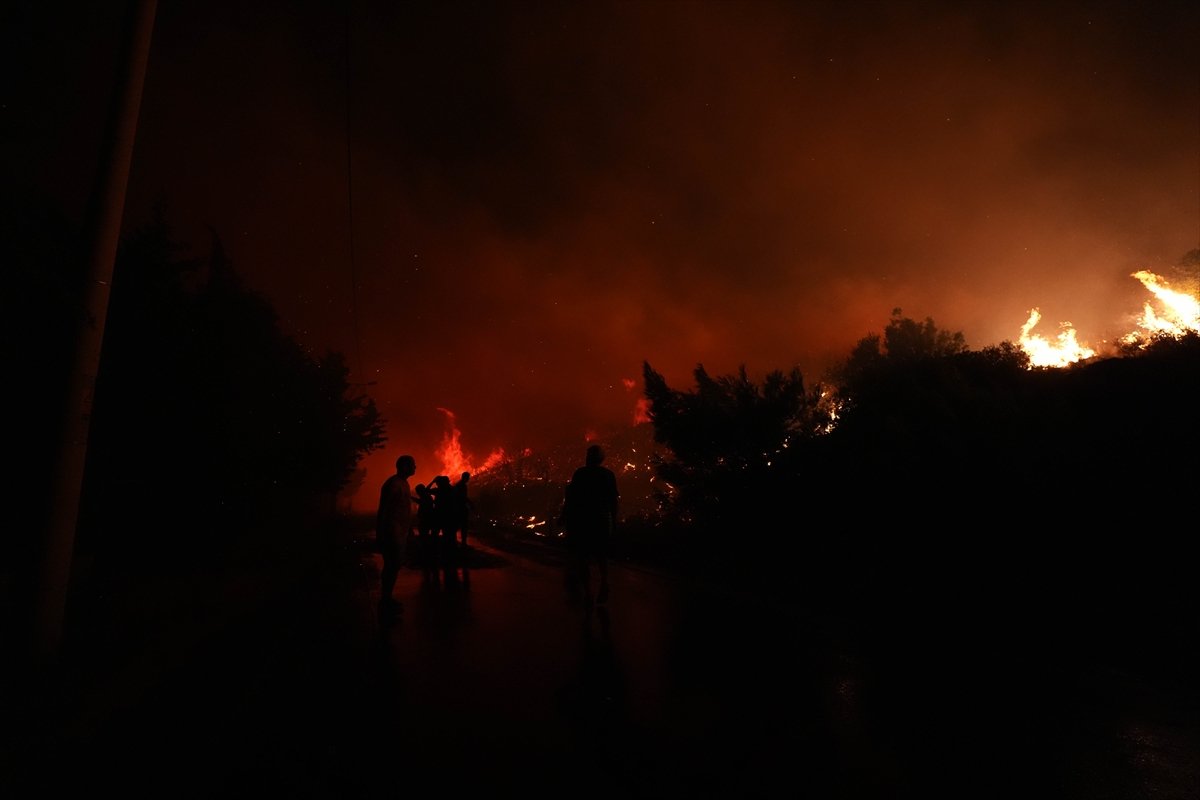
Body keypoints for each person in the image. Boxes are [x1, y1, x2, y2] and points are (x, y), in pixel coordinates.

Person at [561, 444, 619, 605]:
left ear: (590, 458)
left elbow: (571, 498)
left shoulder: (580, 474)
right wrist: (613, 522)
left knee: (583, 557)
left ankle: (588, 593)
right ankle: (604, 583)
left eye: (588, 455)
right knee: (601, 556)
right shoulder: (608, 475)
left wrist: (564, 516)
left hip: (584, 521)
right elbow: (613, 501)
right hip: (601, 520)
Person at [375, 454, 416, 616]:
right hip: (392, 532)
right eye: (413, 464)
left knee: (394, 565)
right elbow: (384, 510)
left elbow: (403, 510)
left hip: (400, 532)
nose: (415, 467)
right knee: (391, 565)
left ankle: (387, 597)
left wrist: (409, 529)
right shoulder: (393, 484)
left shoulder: (404, 483)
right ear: (404, 466)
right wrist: (381, 532)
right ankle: (385, 599)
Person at [449, 471, 473, 549]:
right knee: (463, 526)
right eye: (468, 477)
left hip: (458, 508)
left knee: (458, 526)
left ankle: (455, 542)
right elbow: (463, 497)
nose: (468, 479)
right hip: (461, 508)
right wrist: (470, 503)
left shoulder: (458, 485)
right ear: (465, 477)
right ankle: (462, 543)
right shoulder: (462, 485)